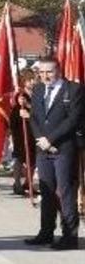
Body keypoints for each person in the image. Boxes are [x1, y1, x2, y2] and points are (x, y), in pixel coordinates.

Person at [24, 58, 82, 250]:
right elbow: (34, 118)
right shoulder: (39, 89)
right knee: (47, 190)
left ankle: (70, 236)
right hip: (43, 148)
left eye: (49, 71)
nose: (45, 76)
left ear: (58, 70)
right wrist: (41, 139)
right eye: (41, 72)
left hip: (64, 148)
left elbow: (73, 119)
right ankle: (46, 232)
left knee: (66, 192)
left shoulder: (73, 89)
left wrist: (51, 140)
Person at [9, 68, 37, 197]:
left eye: (33, 79)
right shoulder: (20, 95)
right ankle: (17, 183)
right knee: (20, 157)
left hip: (33, 130)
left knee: (33, 158)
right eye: (29, 80)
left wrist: (29, 105)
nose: (32, 82)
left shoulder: (37, 93)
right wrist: (21, 103)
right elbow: (15, 108)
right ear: (24, 81)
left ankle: (28, 183)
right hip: (20, 129)